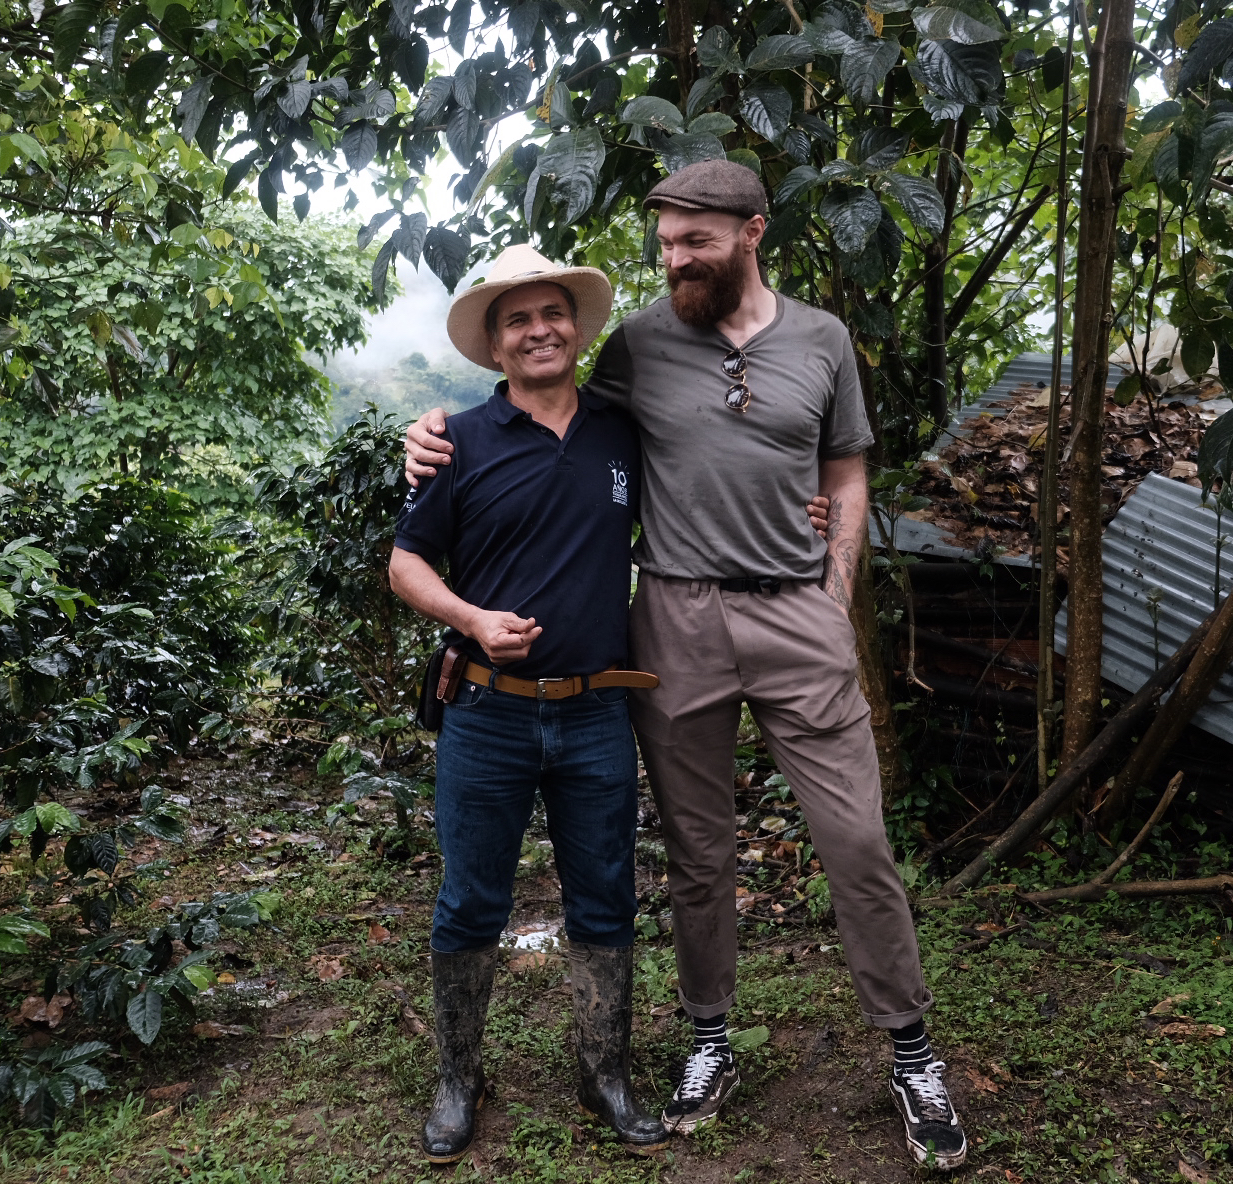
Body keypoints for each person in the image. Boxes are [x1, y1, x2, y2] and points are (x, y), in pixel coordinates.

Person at [406, 161, 969, 1169]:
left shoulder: (823, 340)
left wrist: (835, 590)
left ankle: (913, 1050)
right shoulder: (641, 346)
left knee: (857, 842)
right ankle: (709, 1040)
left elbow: (844, 468)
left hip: (799, 612)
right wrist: (429, 430)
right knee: (700, 853)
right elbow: (535, 406)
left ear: (752, 231)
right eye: (664, 242)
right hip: (673, 615)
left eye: (693, 241)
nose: (674, 259)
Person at [388, 243, 669, 1163]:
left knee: (605, 896)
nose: (538, 330)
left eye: (552, 314)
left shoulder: (623, 433)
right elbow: (405, 563)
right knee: (471, 901)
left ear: (576, 329)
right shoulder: (457, 442)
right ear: (497, 345)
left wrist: (810, 513)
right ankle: (459, 1077)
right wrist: (470, 617)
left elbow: (710, 495)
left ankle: (605, 1073)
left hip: (596, 713)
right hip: (488, 711)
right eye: (518, 320)